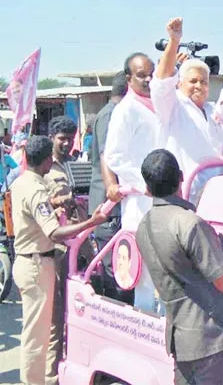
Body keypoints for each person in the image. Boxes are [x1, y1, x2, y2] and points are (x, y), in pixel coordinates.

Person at [135, 149, 223, 385]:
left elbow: (181, 267)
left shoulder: (144, 226)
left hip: (182, 339)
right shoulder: (189, 223)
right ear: (181, 176)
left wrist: (218, 246)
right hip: (210, 341)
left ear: (147, 189)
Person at [11, 135, 107, 385]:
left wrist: (53, 203)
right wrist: (91, 222)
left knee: (36, 332)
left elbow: (31, 212)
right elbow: (53, 232)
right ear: (46, 162)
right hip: (36, 264)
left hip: (28, 261)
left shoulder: (22, 182)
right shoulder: (35, 189)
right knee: (37, 335)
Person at [150, 17, 223, 205]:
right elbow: (161, 82)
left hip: (214, 195)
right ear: (179, 83)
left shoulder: (211, 111)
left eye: (203, 82)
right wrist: (174, 41)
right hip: (183, 195)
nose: (198, 86)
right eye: (193, 81)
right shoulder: (172, 106)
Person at [104, 51, 163, 312]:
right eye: (142, 75)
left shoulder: (161, 105)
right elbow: (114, 156)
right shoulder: (125, 110)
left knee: (166, 270)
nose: (149, 79)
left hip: (165, 197)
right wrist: (144, 183)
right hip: (141, 200)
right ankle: (145, 330)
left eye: (152, 73)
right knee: (146, 277)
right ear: (129, 78)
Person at [88, 71, 133, 303]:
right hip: (110, 205)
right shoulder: (112, 115)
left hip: (114, 205)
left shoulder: (113, 112)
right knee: (116, 271)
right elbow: (108, 157)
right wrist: (114, 190)